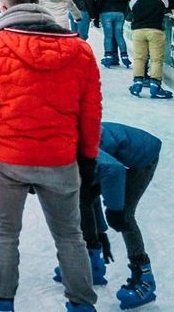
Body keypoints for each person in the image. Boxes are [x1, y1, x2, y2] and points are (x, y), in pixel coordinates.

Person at [0, 0, 103, 312]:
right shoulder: (79, 50)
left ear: (5, 7)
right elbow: (91, 109)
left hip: (6, 160)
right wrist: (88, 156)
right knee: (70, 236)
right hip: (60, 159)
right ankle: (81, 304)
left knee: (4, 235)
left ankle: (1, 302)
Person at [79, 123, 162, 309]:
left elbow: (112, 169)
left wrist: (114, 209)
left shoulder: (76, 145)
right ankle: (93, 263)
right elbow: (89, 196)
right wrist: (100, 235)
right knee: (84, 197)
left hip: (143, 155)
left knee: (125, 215)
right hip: (112, 155)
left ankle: (145, 277)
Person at [128, 0, 171, 100]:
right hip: (155, 31)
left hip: (138, 31)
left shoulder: (134, 2)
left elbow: (131, 14)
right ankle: (155, 86)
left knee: (139, 58)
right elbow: (166, 7)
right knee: (156, 59)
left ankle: (137, 83)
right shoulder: (162, 0)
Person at [94, 0, 132, 69]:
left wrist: (96, 18)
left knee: (108, 36)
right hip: (120, 13)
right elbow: (128, 1)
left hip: (106, 13)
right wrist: (124, 12)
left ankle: (108, 56)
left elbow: (99, 3)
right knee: (119, 36)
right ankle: (124, 56)